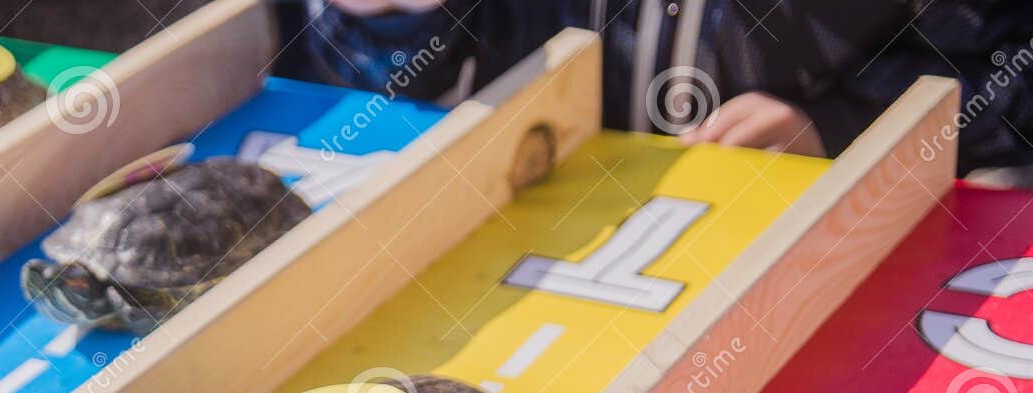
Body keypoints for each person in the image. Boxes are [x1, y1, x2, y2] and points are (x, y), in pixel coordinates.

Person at [286, 0, 1033, 174]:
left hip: (810, 260)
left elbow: (1015, 70)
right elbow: (398, 89)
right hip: (564, 255)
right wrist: (397, 20)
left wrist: (839, 128)